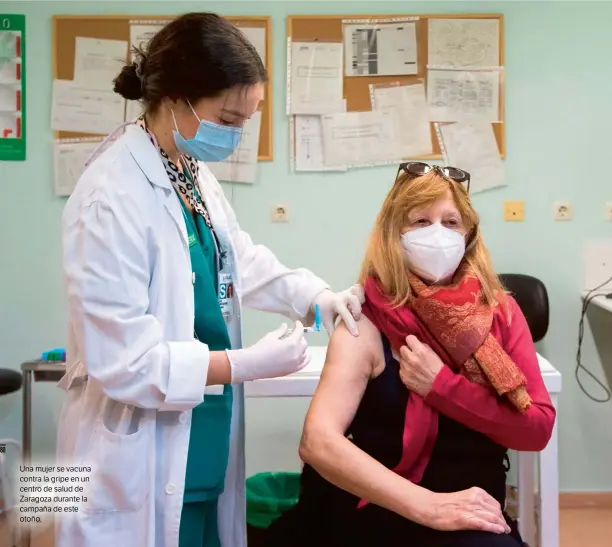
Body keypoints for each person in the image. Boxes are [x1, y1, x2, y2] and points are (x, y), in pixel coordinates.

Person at [55, 12, 363, 547]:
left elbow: (235, 259)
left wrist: (314, 298)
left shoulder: (189, 172)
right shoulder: (111, 196)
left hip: (204, 436)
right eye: (227, 117)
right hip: (137, 451)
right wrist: (246, 365)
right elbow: (125, 362)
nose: (236, 134)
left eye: (246, 119)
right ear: (176, 98)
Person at [265, 162, 556, 547]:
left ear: (469, 235)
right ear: (393, 232)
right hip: (374, 506)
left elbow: (536, 429)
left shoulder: (500, 313)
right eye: (420, 221)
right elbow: (318, 441)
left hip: (470, 506)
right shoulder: (364, 317)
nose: (437, 234)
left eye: (451, 222)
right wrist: (429, 507)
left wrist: (442, 387)